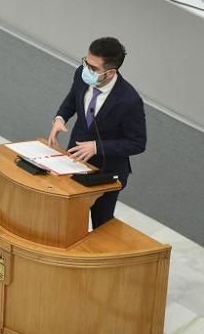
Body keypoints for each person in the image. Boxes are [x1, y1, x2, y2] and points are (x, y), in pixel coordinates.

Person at [47, 37, 146, 229]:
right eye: (86, 62)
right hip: (74, 162)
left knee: (101, 225)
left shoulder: (129, 100)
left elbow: (137, 143)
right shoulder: (81, 74)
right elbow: (71, 99)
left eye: (93, 68)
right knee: (69, 220)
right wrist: (60, 118)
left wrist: (97, 147)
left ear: (110, 73)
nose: (86, 70)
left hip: (106, 173)